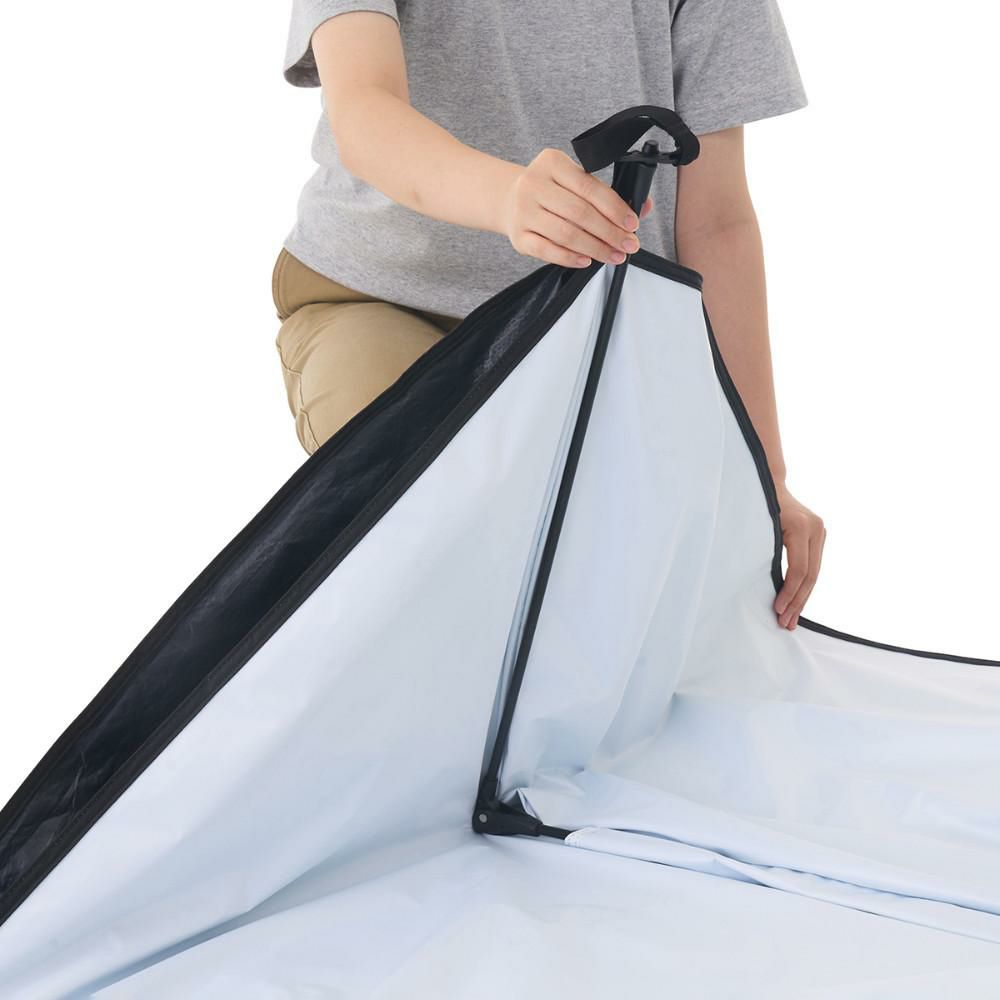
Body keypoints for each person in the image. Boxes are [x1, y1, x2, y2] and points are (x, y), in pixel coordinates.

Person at [272, 0, 825, 630]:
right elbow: (365, 110)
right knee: (418, 512)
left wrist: (762, 475)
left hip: (594, 328)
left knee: (634, 588)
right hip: (383, 295)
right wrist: (508, 197)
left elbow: (716, 222)